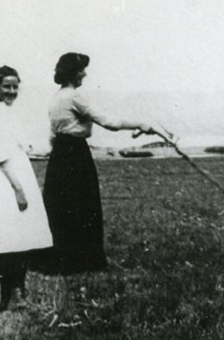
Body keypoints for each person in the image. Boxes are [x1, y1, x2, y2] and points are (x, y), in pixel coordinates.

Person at [31, 52, 169, 275]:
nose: (84, 74)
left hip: (59, 157)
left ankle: (60, 258)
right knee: (83, 205)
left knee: (60, 206)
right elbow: (110, 122)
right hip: (76, 154)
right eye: (80, 70)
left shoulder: (55, 98)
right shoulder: (74, 97)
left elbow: (52, 136)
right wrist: (143, 124)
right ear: (72, 73)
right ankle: (83, 261)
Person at [0, 66, 53, 311]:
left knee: (18, 238)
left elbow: (19, 145)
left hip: (16, 173)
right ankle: (9, 297)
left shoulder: (7, 112)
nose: (11, 91)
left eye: (15, 87)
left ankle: (16, 294)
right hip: (5, 180)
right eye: (6, 86)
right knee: (9, 240)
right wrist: (19, 189)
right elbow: (0, 155)